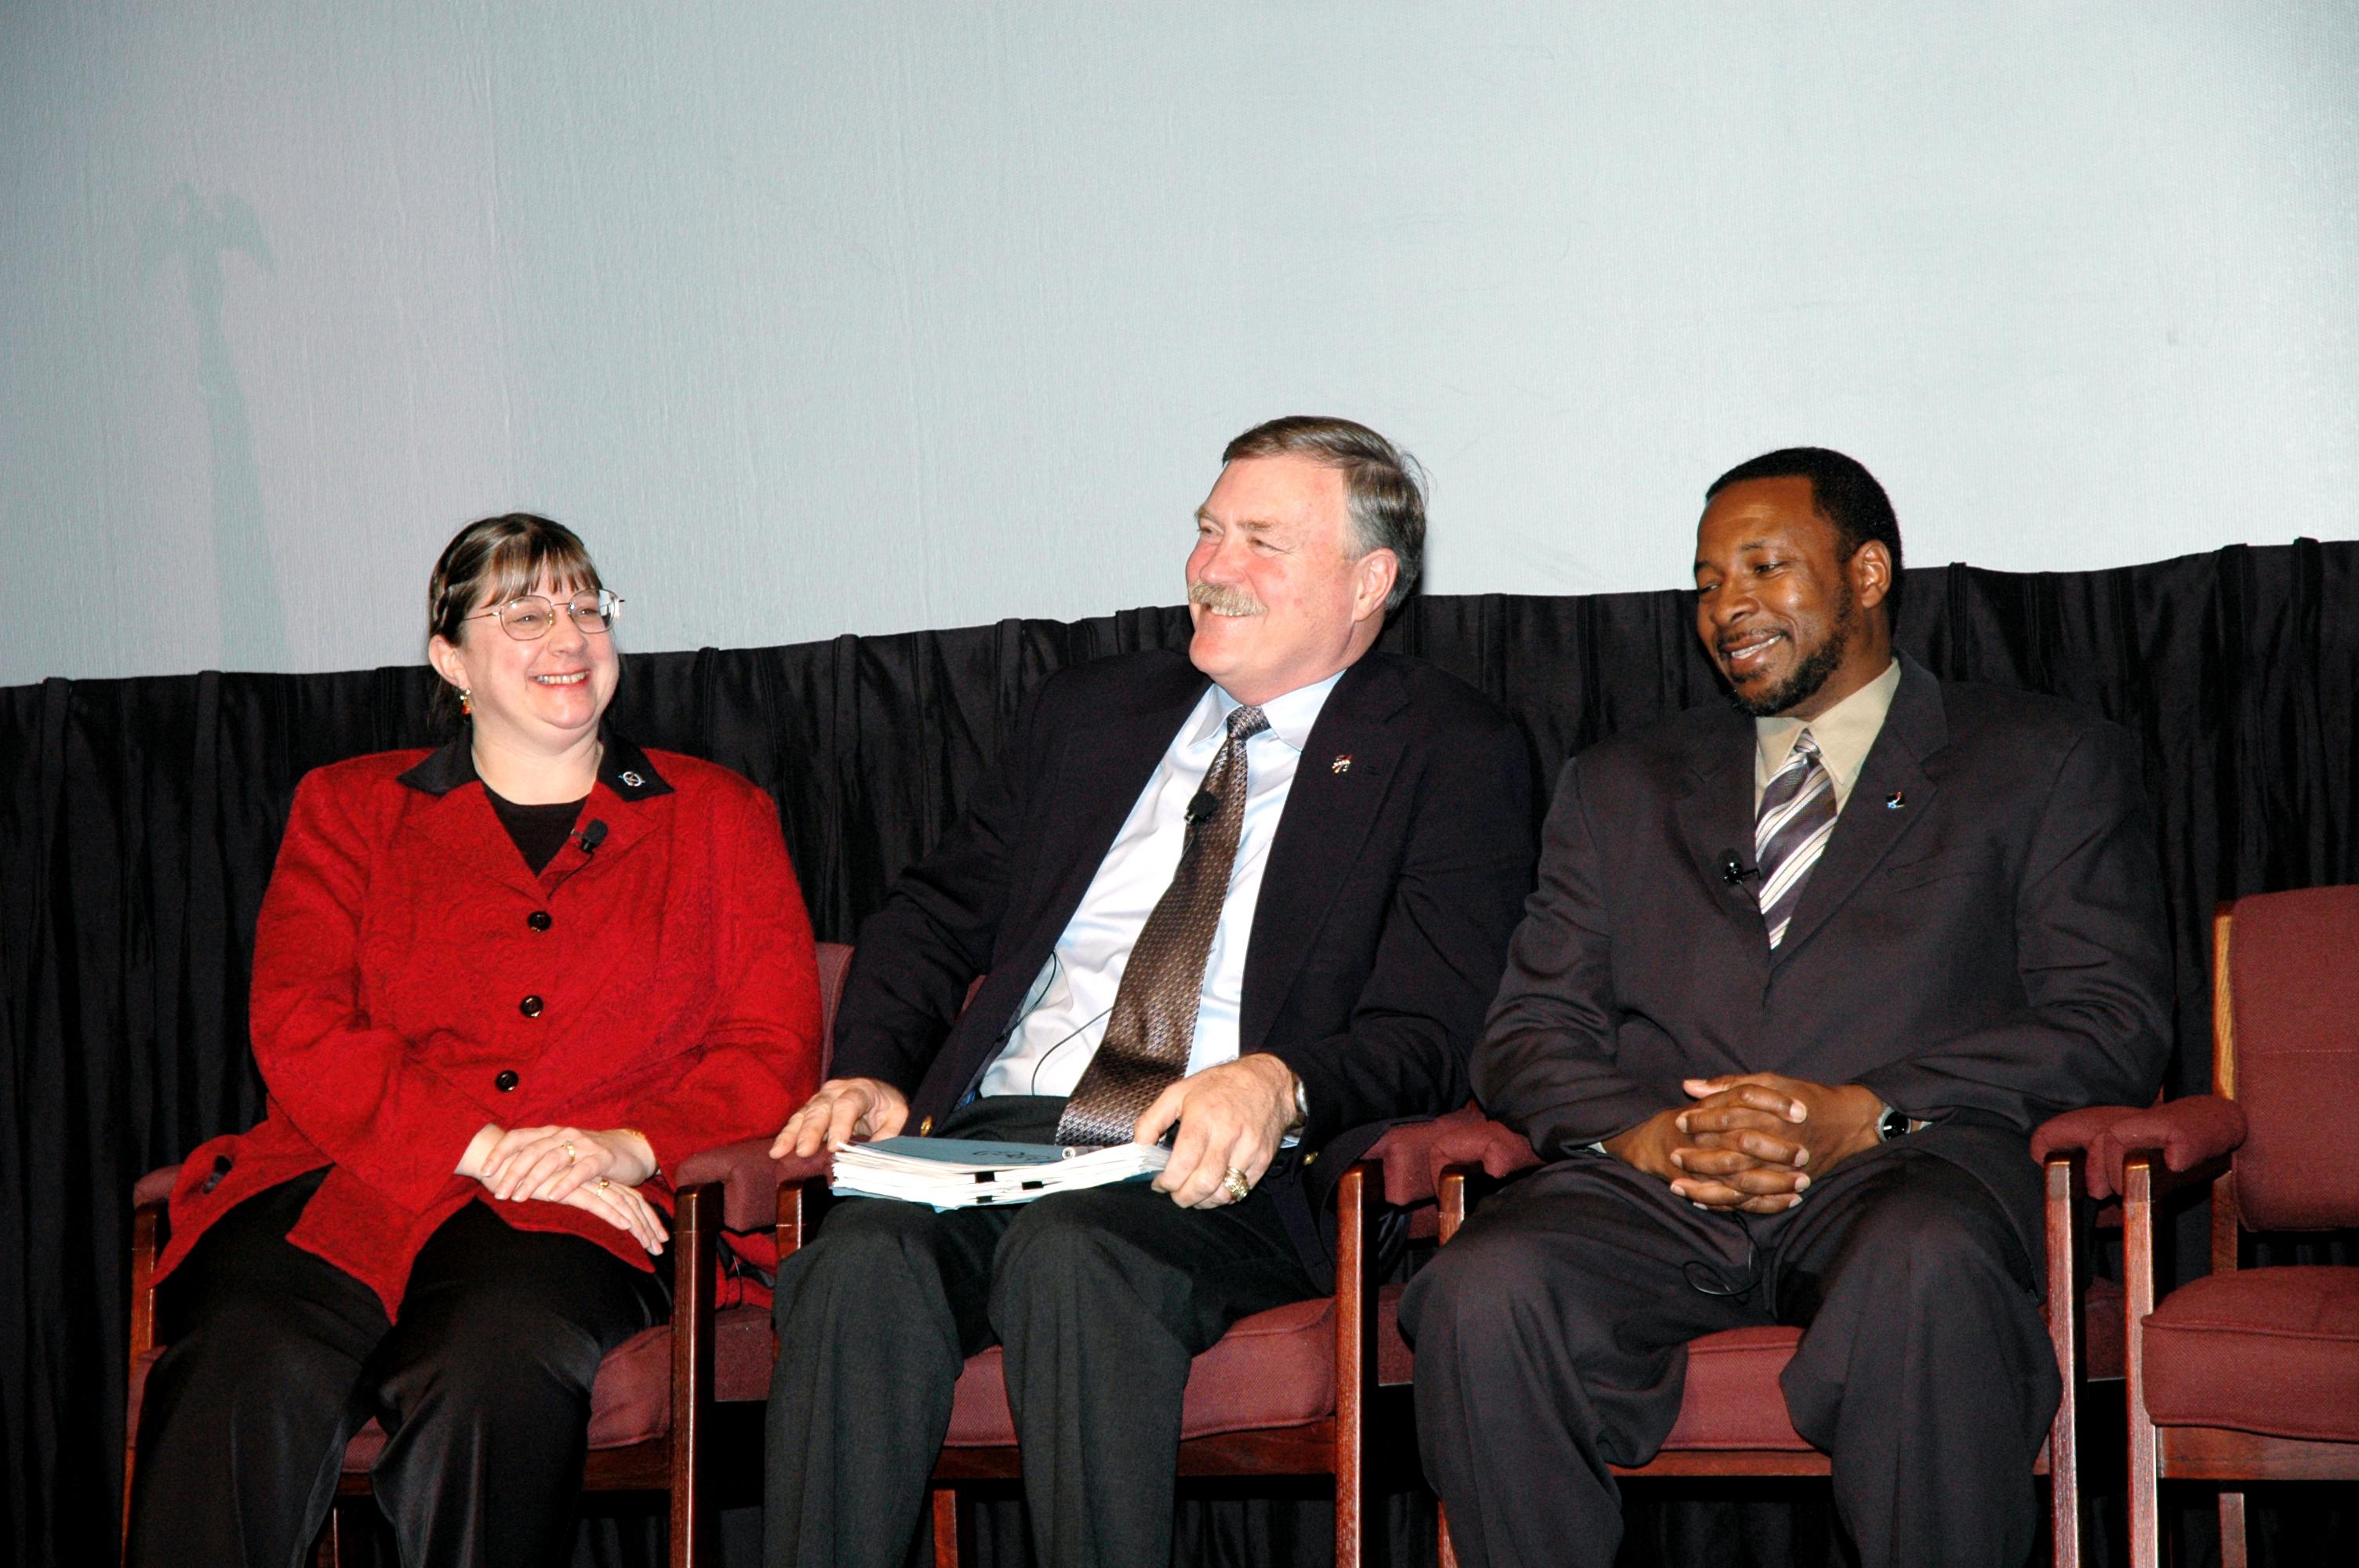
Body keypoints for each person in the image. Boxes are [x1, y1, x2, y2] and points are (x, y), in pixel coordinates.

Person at [763, 416, 1536, 1568]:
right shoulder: (1091, 713)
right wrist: (873, 1068)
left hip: (1218, 1166)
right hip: (998, 1134)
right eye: (1209, 531)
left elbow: (1434, 1025)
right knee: (854, 1263)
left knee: (1074, 1256)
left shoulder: (1449, 747)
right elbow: (931, 914)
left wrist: (1280, 1081)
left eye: (1262, 541)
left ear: (1370, 582)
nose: (1213, 567)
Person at [1401, 448, 2174, 1568]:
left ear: (1868, 574)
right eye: (1708, 581)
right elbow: (1527, 1033)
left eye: (1765, 568)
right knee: (1480, 1288)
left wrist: (1866, 1111)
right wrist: (1653, 1135)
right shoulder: (1620, 784)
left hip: (1906, 1171)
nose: (1728, 608)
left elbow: (2110, 1019)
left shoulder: (2040, 759)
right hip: (1663, 1189)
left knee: (1925, 1267)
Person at [125, 514, 823, 1568]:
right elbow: (301, 1023)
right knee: (241, 1358)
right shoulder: (350, 808)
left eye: (587, 609)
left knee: (489, 1362)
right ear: (450, 660)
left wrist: (626, 1148)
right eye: (525, 614)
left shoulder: (719, 814)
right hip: (358, 1183)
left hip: (581, 1208)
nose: (569, 636)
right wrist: (481, 1145)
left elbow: (770, 1048)